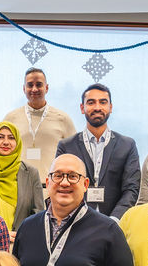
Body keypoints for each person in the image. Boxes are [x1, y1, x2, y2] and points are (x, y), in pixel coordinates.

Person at [55, 83, 139, 220]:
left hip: (115, 223)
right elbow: (61, 185)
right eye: (91, 102)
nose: (97, 107)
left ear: (110, 107)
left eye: (103, 102)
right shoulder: (66, 146)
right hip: (76, 223)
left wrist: (114, 220)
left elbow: (131, 189)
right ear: (82, 108)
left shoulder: (127, 145)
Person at [0, 120, 45, 240]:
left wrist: (23, 235)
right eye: (0, 137)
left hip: (22, 244)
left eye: (11, 138)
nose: (6, 142)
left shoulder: (31, 173)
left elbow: (39, 213)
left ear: (18, 142)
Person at [1, 67, 77, 180]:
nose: (34, 89)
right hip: (19, 185)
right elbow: (2, 154)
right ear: (24, 88)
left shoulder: (63, 119)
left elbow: (73, 157)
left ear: (46, 88)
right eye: (30, 85)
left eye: (39, 84)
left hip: (53, 187)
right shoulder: (11, 118)